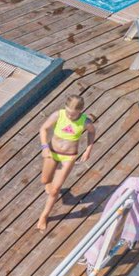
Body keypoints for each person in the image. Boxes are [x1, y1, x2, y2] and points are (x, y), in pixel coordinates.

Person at [36, 95, 95, 231]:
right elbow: (43, 129)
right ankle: (50, 184)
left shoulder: (85, 122)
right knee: (45, 180)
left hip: (68, 157)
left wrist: (88, 150)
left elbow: (92, 132)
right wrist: (44, 147)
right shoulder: (58, 115)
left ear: (81, 111)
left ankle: (44, 215)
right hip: (52, 152)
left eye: (73, 114)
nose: (70, 116)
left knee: (55, 190)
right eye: (68, 112)